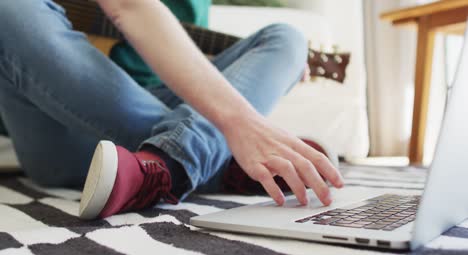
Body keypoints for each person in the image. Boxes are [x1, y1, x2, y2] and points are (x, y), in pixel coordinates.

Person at [0, 0, 343, 220]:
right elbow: (129, 6)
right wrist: (242, 123)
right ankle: (216, 160)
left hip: (165, 102)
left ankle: (162, 166)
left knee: (288, 39)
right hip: (67, 128)